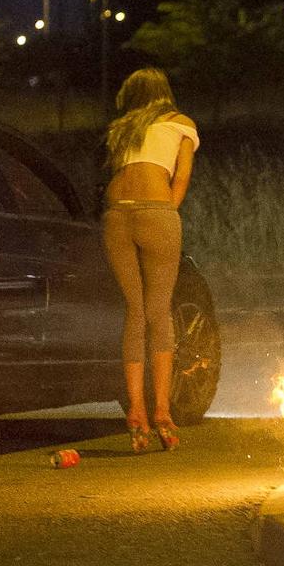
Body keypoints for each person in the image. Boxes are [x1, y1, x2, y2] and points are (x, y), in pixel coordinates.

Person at [102, 67, 199, 452]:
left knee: (134, 311)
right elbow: (181, 180)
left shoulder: (121, 129)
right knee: (159, 313)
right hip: (155, 211)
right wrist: (164, 214)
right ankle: (161, 410)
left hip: (116, 215)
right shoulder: (181, 124)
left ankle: (135, 410)